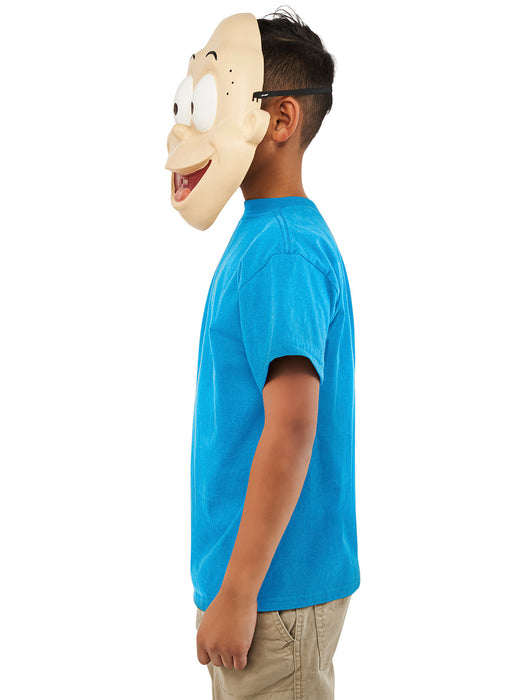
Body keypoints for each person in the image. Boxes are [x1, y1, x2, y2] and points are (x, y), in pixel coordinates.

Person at [167, 7, 360, 698]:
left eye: (212, 101)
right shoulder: (266, 235)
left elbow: (292, 426)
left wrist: (240, 591)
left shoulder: (281, 250)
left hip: (273, 600)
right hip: (262, 593)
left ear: (279, 119)